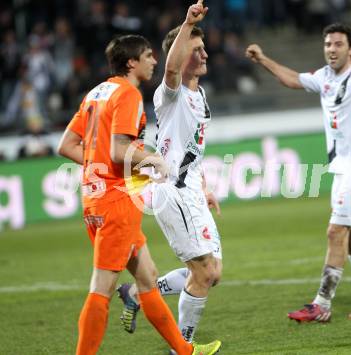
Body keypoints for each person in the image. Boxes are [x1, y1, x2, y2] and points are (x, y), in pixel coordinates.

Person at [57, 33, 221, 355]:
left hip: (98, 198)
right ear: (131, 62)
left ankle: (184, 351)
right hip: (116, 202)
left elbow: (67, 145)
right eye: (148, 56)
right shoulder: (128, 93)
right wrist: (152, 159)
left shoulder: (96, 93)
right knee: (101, 288)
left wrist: (101, 164)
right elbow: (119, 151)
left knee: (148, 279)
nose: (153, 61)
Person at [246, 23, 351, 322]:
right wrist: (262, 59)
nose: (331, 49)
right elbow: (292, 80)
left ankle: (322, 304)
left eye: (338, 44)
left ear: (350, 49)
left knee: (335, 231)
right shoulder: (324, 77)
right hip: (345, 169)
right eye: (328, 44)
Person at [117, 0, 223, 345]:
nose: (204, 54)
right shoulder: (169, 94)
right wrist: (188, 23)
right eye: (197, 48)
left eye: (205, 48)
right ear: (179, 54)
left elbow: (192, 148)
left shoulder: (201, 95)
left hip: (190, 187)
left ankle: (136, 291)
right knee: (204, 272)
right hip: (171, 191)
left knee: (213, 273)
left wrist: (204, 186)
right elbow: (173, 71)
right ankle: (183, 347)